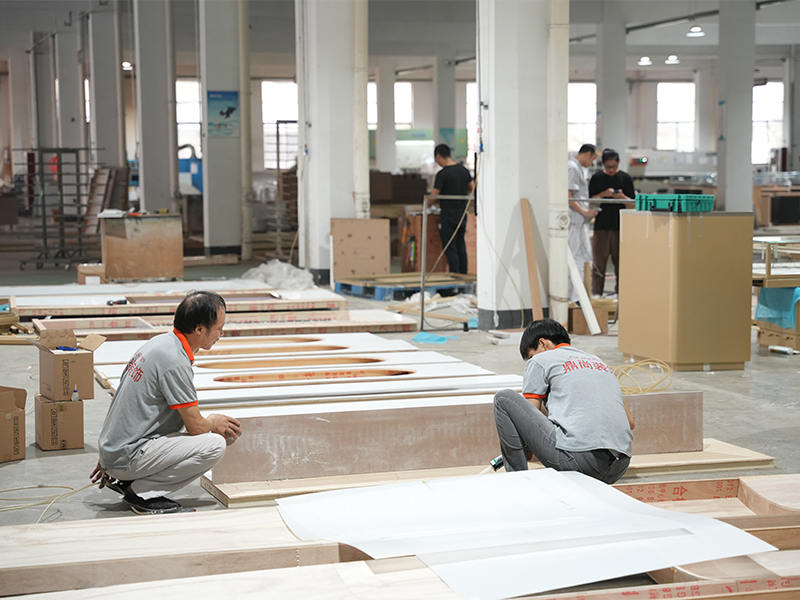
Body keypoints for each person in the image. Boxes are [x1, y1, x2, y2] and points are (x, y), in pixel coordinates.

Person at [90, 291, 242, 515]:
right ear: (199, 329)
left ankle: (130, 478)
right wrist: (213, 422)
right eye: (219, 328)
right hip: (126, 455)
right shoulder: (174, 362)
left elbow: (125, 404)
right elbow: (196, 427)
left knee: (188, 427)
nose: (221, 333)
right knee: (214, 444)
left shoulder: (160, 343)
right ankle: (141, 492)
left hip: (117, 451)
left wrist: (110, 451)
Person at [493, 319, 634, 484]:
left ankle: (518, 482)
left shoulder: (540, 360)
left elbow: (528, 418)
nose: (531, 359)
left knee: (503, 398)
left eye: (531, 355)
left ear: (543, 343)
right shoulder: (599, 363)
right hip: (618, 466)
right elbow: (630, 422)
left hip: (579, 461)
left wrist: (520, 449)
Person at [588, 148, 635, 297]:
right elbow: (590, 202)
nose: (611, 170)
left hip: (621, 227)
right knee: (599, 264)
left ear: (618, 163)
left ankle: (621, 295)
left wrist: (621, 197)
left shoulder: (625, 178)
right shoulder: (596, 178)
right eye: (608, 167)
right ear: (603, 164)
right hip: (601, 227)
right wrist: (604, 194)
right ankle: (596, 295)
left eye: (614, 166)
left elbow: (632, 204)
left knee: (621, 263)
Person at [430, 143, 474, 274]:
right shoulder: (464, 170)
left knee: (450, 246)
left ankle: (455, 276)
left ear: (438, 156)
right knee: (460, 244)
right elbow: (472, 188)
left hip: (448, 215)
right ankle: (463, 276)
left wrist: (427, 203)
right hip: (462, 214)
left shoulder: (442, 174)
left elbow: (434, 195)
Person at [567, 143, 599, 303]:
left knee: (584, 257)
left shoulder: (577, 168)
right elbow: (569, 196)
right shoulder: (572, 168)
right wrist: (585, 212)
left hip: (580, 222)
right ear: (587, 154)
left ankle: (578, 295)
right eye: (592, 159)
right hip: (574, 222)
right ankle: (573, 297)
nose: (592, 163)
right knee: (574, 258)